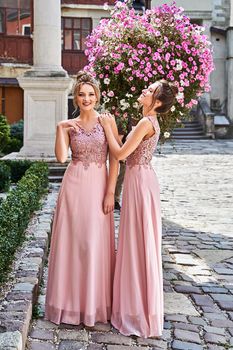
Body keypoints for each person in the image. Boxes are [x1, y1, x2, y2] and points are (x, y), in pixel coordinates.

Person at [100, 79, 178, 338]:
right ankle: (138, 308)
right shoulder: (148, 121)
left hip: (139, 181)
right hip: (141, 179)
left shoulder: (146, 122)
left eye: (150, 90)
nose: (144, 90)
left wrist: (108, 126)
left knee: (137, 242)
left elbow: (120, 154)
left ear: (156, 101)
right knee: (139, 242)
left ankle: (136, 312)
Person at [45, 71, 119, 326]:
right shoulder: (69, 125)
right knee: (72, 244)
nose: (86, 98)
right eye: (81, 94)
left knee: (93, 243)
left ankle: (94, 306)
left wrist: (111, 192)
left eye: (90, 94)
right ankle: (69, 305)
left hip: (98, 186)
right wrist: (60, 128)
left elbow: (115, 158)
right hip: (74, 185)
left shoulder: (107, 121)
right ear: (75, 98)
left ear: (97, 97)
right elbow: (60, 158)